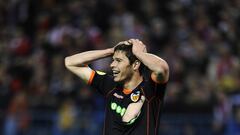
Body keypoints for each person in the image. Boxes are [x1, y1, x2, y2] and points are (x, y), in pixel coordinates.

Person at [65, 39, 169, 135]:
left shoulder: (150, 90)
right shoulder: (110, 85)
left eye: (118, 60)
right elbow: (70, 62)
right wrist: (110, 51)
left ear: (135, 65)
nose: (112, 65)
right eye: (113, 59)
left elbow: (162, 68)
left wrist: (139, 53)